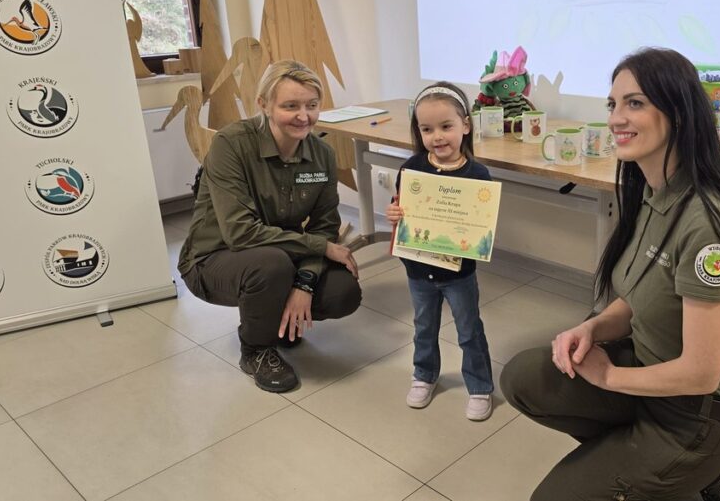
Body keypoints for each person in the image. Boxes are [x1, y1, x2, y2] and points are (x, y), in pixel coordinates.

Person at [500, 48, 720, 500]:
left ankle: (713, 462)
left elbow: (701, 374)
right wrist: (591, 328)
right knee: (523, 378)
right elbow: (638, 297)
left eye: (635, 103)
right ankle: (642, 466)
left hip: (694, 414)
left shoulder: (706, 223)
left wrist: (608, 377)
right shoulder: (652, 192)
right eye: (613, 104)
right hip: (648, 377)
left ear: (679, 114)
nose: (616, 118)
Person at [178, 60, 361, 393]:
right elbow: (240, 233)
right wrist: (321, 248)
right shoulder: (232, 144)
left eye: (312, 105)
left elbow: (324, 226)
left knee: (343, 292)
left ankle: (278, 322)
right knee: (271, 265)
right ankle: (256, 350)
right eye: (290, 106)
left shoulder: (321, 154)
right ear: (263, 104)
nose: (303, 116)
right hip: (214, 257)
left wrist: (305, 283)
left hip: (279, 253)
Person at [385, 81, 496, 421]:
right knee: (423, 327)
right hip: (418, 270)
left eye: (446, 126)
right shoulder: (411, 169)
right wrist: (394, 213)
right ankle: (424, 375)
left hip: (459, 273)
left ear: (466, 125)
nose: (437, 136)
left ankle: (479, 386)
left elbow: (481, 223)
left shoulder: (478, 174)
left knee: (469, 329)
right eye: (427, 129)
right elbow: (402, 207)